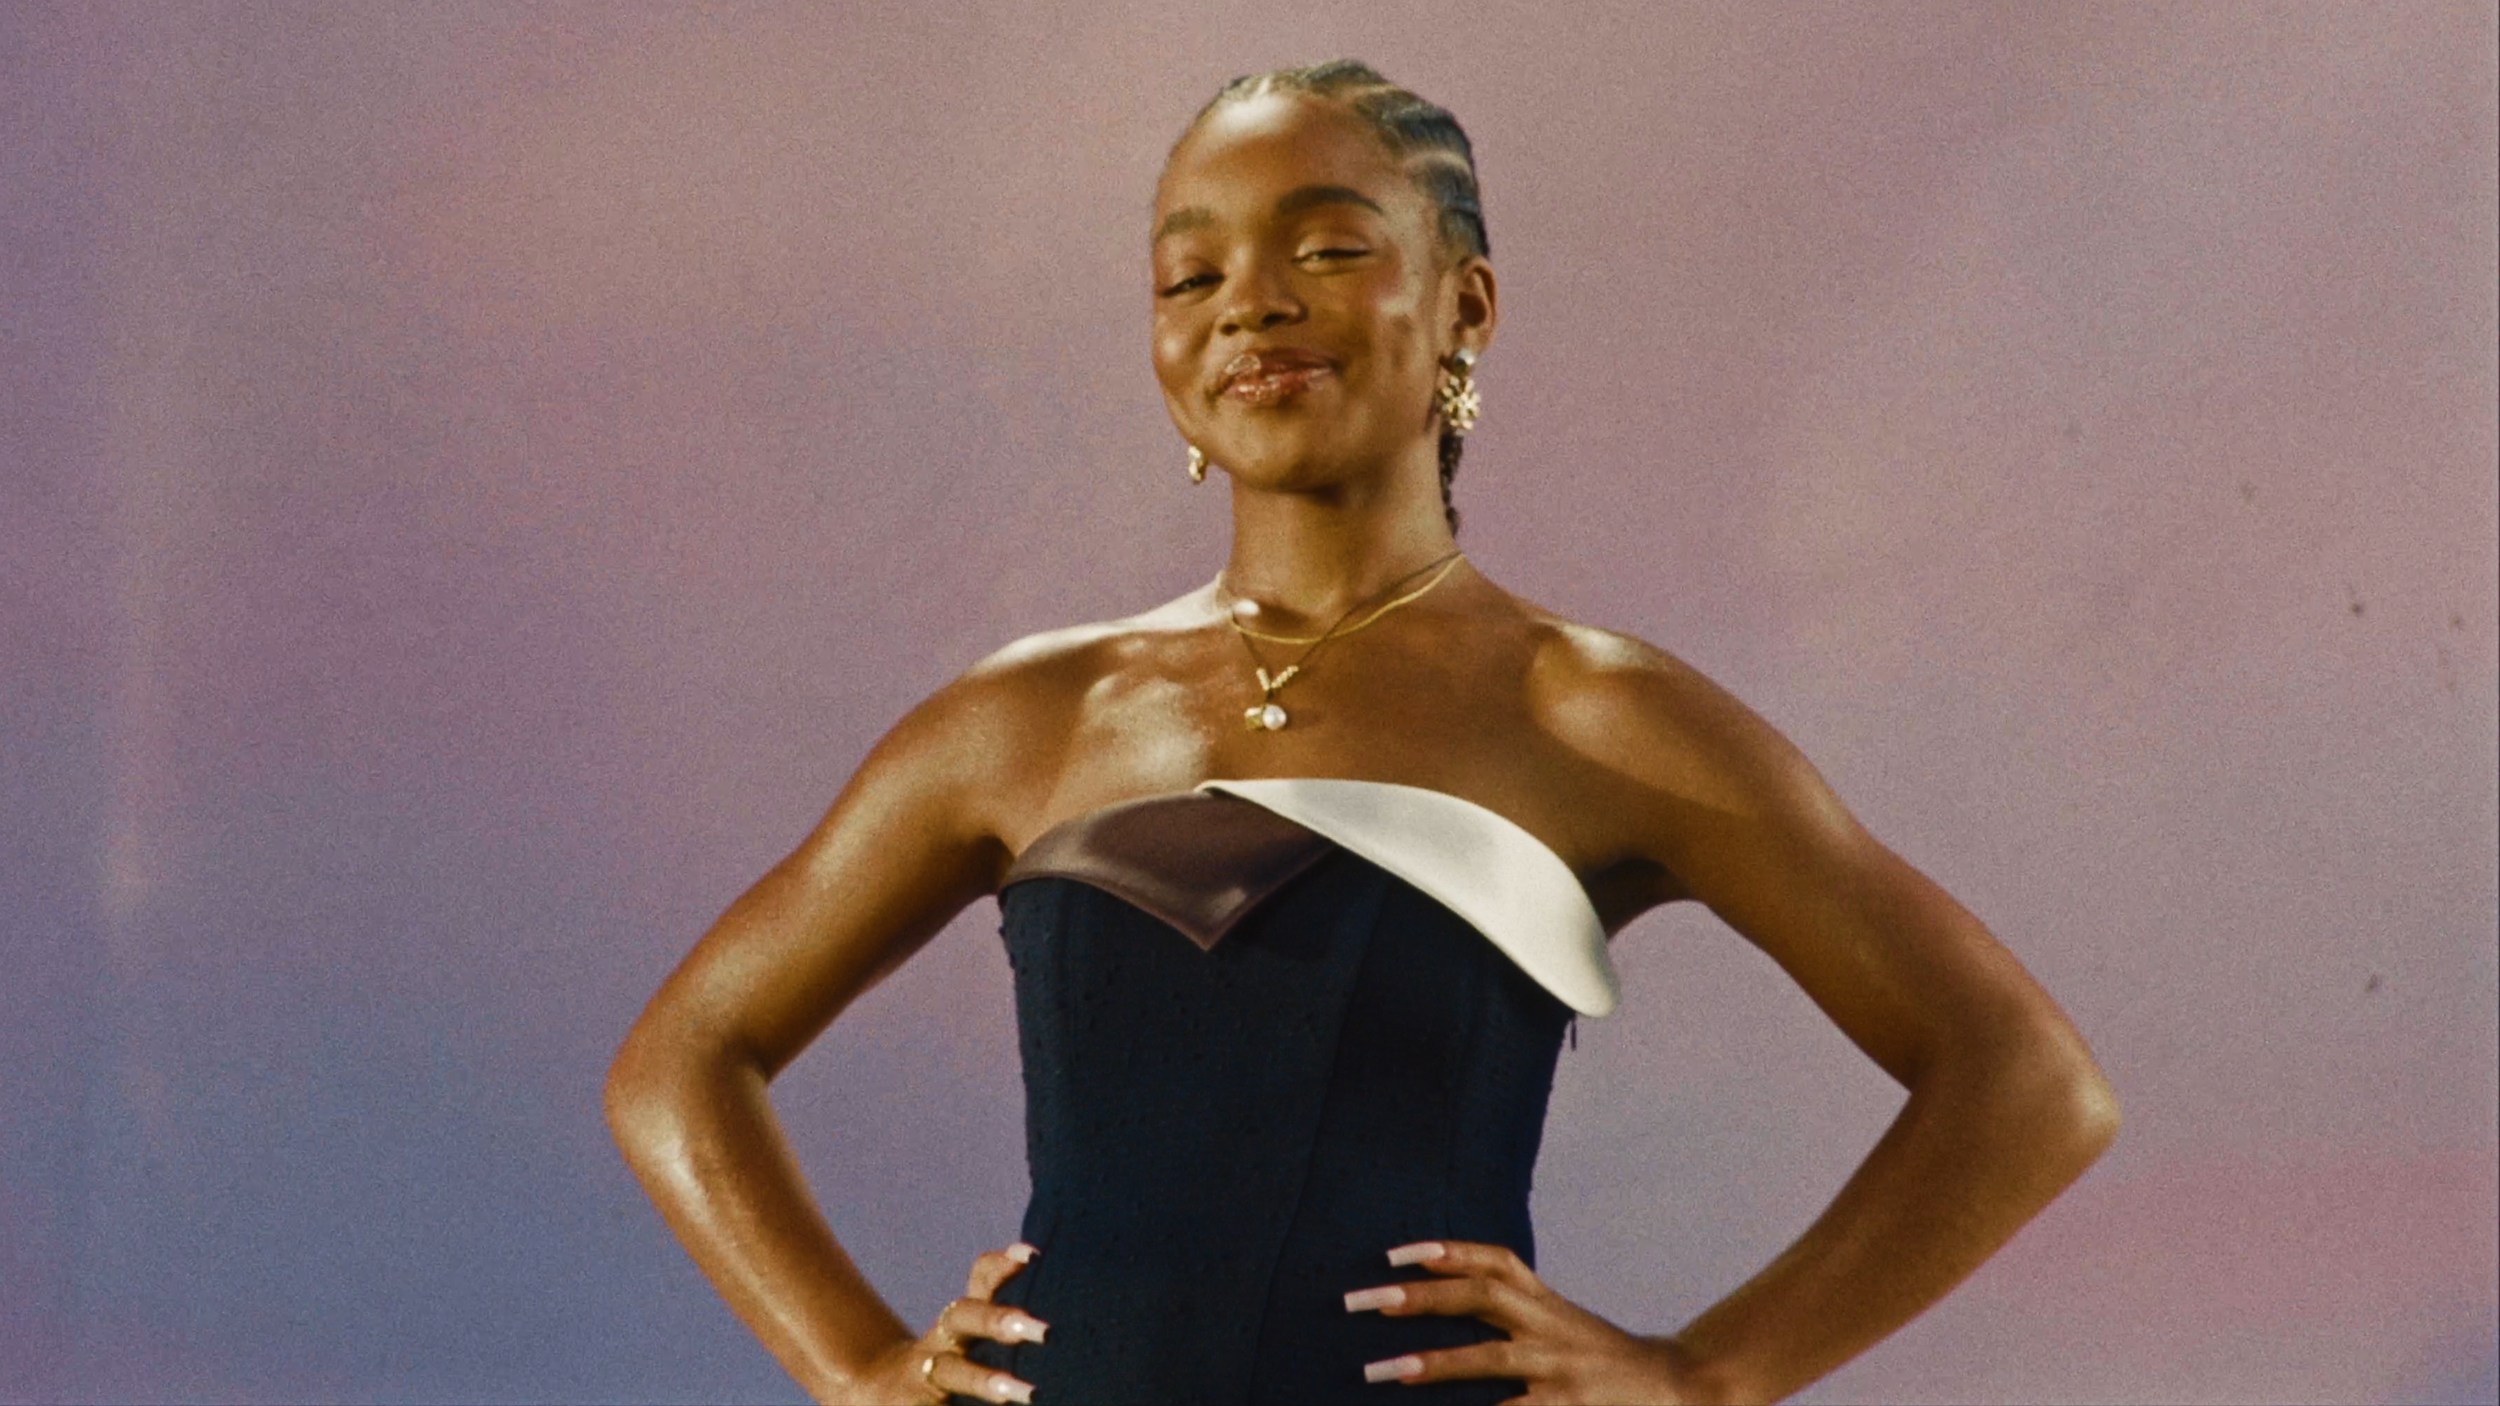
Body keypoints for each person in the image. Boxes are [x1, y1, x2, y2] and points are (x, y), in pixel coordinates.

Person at [603, 60, 2120, 1406]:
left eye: (1326, 248)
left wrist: (1709, 1373)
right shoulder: (1028, 718)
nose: (1249, 302)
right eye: (1188, 279)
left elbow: (2026, 1081)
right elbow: (682, 1058)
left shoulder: (1587, 711)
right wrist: (857, 1367)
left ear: (1466, 304)